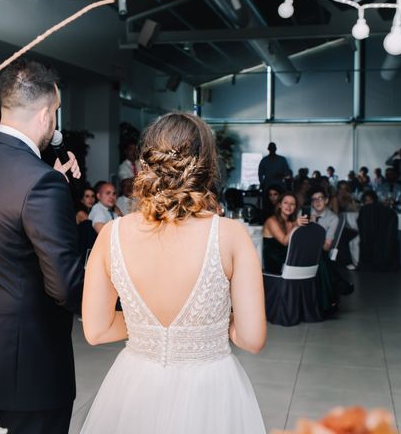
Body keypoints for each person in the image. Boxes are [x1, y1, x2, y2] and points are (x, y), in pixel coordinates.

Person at [80, 113, 266, 434]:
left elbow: (96, 331)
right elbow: (251, 339)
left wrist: (149, 329)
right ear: (207, 165)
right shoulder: (231, 235)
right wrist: (208, 327)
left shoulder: (111, 234)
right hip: (210, 388)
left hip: (135, 385)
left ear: (146, 162)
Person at [0, 60, 84, 434]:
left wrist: (55, 184)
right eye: (56, 114)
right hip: (29, 367)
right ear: (45, 114)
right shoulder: (41, 183)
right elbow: (64, 285)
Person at [262, 192, 308, 274]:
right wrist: (296, 226)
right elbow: (284, 242)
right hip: (274, 264)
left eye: (292, 204)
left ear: (295, 207)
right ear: (279, 205)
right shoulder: (271, 221)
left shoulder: (291, 221)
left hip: (287, 261)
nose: (289, 206)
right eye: (286, 203)